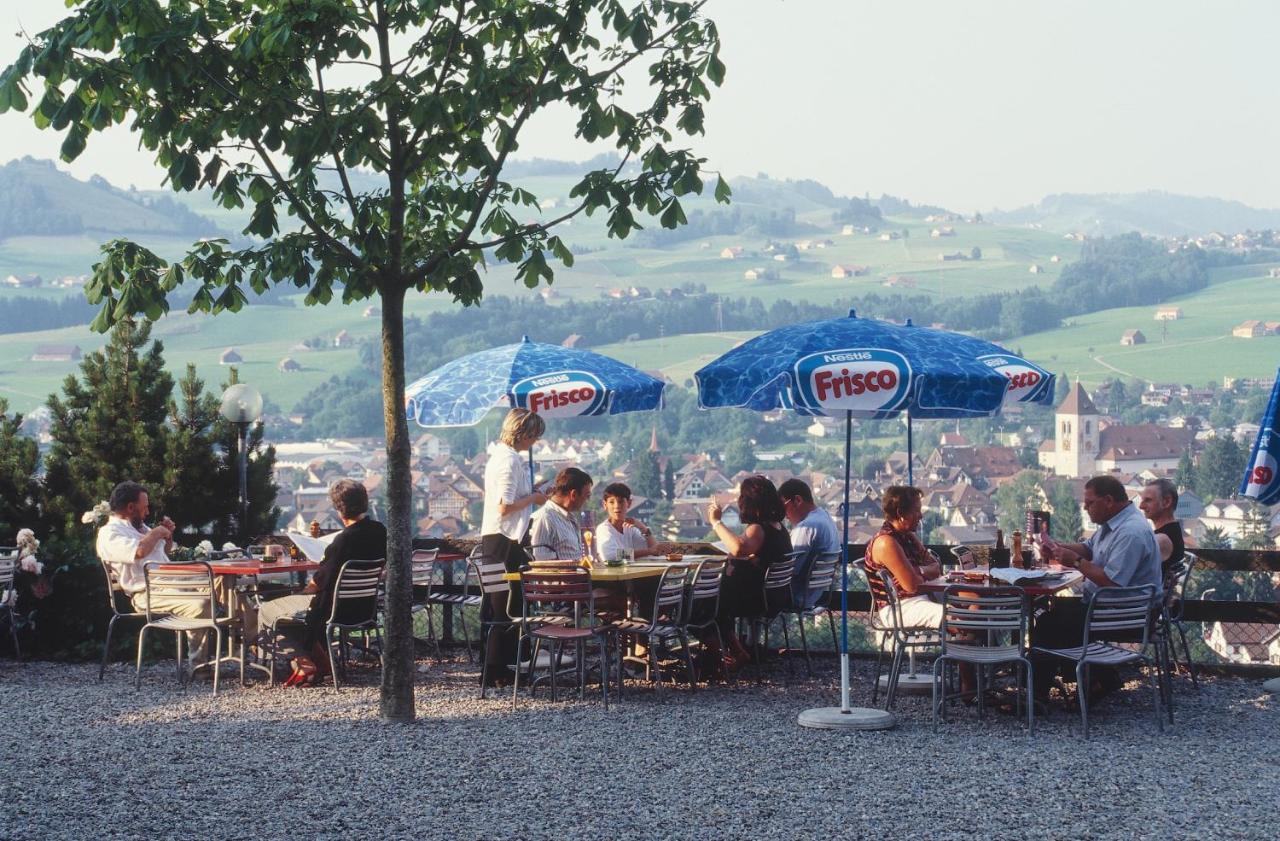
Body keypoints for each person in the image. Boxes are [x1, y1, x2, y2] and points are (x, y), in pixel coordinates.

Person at [1034, 474, 1163, 704]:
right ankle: (1097, 677)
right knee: (1046, 612)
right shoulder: (1114, 523)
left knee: (1048, 623)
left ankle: (1037, 695)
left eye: (1090, 503)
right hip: (1109, 607)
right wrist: (1057, 548)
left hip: (1126, 613)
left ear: (1109, 501)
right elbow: (1089, 548)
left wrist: (1074, 561)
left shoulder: (1130, 532)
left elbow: (1112, 583)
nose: (1085, 508)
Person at [257, 479, 387, 686]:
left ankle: (301, 660)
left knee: (268, 610)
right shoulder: (380, 532)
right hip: (365, 608)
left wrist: (300, 594)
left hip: (332, 609)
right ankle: (323, 663)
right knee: (291, 614)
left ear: (339, 510)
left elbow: (320, 582)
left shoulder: (343, 541)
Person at [95, 481, 219, 664]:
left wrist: (167, 535)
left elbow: (162, 554)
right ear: (130, 507)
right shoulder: (109, 534)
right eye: (144, 507)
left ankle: (255, 638)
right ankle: (199, 666)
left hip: (172, 583)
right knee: (200, 604)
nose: (147, 512)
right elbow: (139, 552)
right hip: (148, 593)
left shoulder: (141, 528)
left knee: (223, 582)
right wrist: (157, 532)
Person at [478, 409, 547, 686]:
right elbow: (505, 506)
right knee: (506, 606)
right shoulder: (509, 462)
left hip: (497, 538)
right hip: (504, 538)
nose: (536, 441)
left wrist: (533, 492)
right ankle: (495, 669)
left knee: (502, 605)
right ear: (525, 433)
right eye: (535, 436)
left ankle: (498, 668)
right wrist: (534, 497)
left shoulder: (498, 458)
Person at [707, 475, 792, 670]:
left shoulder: (758, 529)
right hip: (774, 596)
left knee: (702, 604)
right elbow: (764, 557)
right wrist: (752, 560)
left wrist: (716, 522)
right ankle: (734, 652)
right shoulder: (779, 528)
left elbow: (738, 548)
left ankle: (728, 656)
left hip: (755, 600)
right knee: (711, 603)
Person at [863, 485, 944, 630]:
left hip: (920, 597)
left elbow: (936, 568)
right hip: (898, 608)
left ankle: (966, 645)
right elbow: (911, 585)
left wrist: (918, 572)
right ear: (901, 513)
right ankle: (968, 646)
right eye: (916, 511)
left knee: (971, 601)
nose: (921, 516)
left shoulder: (907, 536)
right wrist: (924, 572)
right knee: (957, 617)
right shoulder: (886, 543)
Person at [778, 478, 842, 609]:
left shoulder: (807, 527)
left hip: (796, 596)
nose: (784, 515)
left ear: (797, 501)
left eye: (783, 507)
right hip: (815, 595)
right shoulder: (825, 517)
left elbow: (788, 568)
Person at [529, 467, 594, 560]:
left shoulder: (569, 517)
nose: (588, 501)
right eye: (587, 496)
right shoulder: (545, 518)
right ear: (574, 494)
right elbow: (541, 563)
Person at [1138, 477, 1185, 587]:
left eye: (1148, 500)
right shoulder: (1173, 531)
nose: (1141, 506)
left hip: (1143, 601)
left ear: (1167, 502)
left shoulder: (1162, 539)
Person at [594, 482, 658, 561]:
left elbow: (654, 549)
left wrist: (643, 527)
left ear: (629, 503)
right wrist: (649, 551)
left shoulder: (630, 528)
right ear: (605, 505)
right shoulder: (603, 529)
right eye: (611, 502)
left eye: (621, 501)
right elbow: (611, 556)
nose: (617, 506)